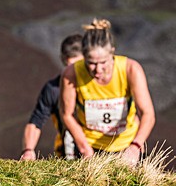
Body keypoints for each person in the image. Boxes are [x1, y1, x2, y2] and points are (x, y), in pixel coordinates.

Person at [60, 19, 156, 164]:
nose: (98, 70)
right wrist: (85, 149)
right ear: (83, 56)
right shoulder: (71, 73)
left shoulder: (130, 69)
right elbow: (66, 114)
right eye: (91, 63)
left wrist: (135, 146)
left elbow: (147, 113)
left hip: (127, 145)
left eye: (103, 62)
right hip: (90, 147)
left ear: (112, 52)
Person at [20, 34, 83, 160]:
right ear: (63, 60)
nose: (73, 71)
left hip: (103, 152)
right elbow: (36, 121)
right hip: (67, 157)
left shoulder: (102, 84)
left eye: (78, 66)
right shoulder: (53, 89)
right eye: (69, 66)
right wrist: (28, 150)